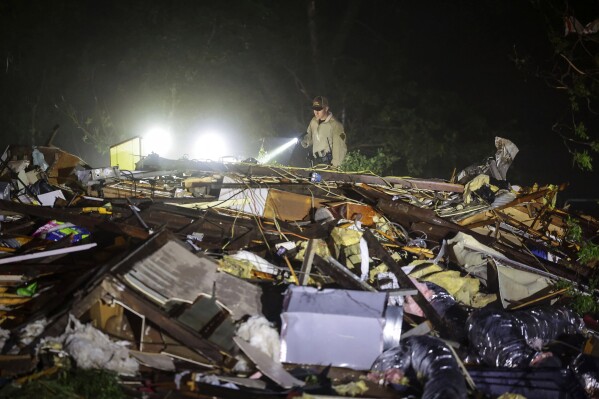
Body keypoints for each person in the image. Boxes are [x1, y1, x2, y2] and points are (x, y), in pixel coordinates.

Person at [300, 96, 347, 168]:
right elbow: (310, 135)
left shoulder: (336, 125)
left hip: (328, 165)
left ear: (326, 108)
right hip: (315, 164)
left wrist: (334, 166)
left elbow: (340, 147)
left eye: (319, 109)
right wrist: (305, 140)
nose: (316, 112)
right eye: (314, 109)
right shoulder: (313, 121)